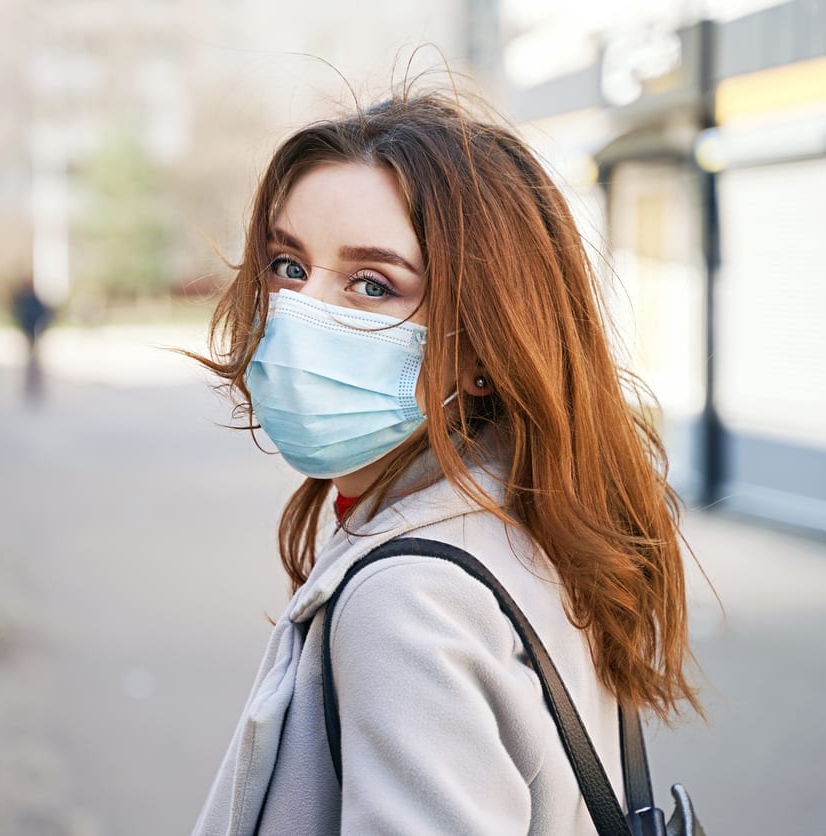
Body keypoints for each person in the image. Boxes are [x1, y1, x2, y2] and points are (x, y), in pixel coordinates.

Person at [190, 88, 702, 834]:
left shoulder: (407, 600)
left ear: (481, 350)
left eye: (372, 284)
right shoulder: (539, 519)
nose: (299, 312)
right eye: (286, 264)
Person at [9, 276, 52, 401]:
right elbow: (20, 315)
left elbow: (44, 314)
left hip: (35, 333)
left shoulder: (35, 300)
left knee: (36, 362)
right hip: (28, 333)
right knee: (30, 362)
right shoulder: (24, 300)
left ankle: (37, 386)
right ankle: (29, 386)